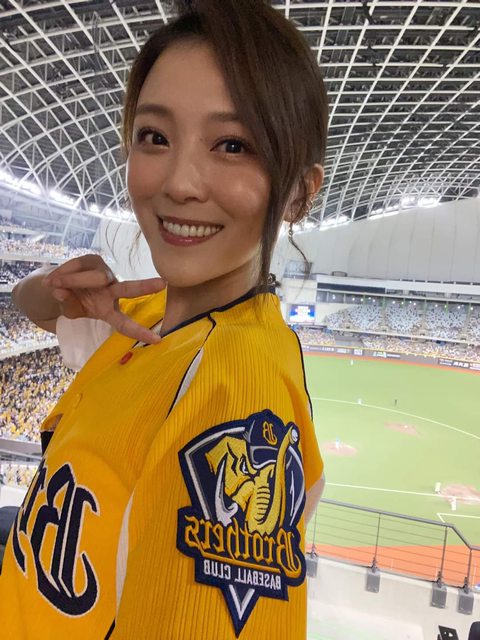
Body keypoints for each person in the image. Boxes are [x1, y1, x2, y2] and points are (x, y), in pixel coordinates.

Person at [0, 1, 327, 638]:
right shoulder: (153, 313)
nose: (179, 183)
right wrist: (58, 290)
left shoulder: (234, 388)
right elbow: (29, 305)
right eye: (155, 136)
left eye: (232, 145)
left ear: (297, 194)